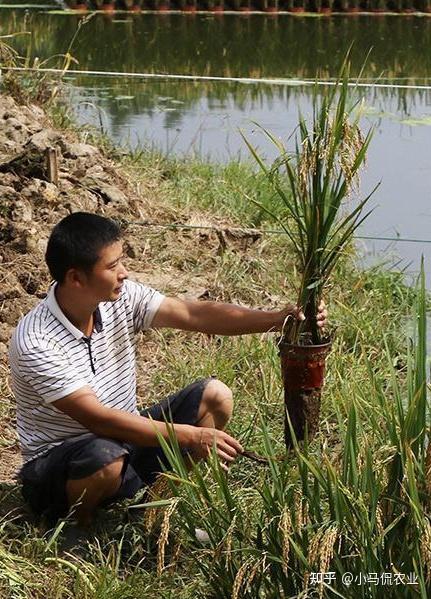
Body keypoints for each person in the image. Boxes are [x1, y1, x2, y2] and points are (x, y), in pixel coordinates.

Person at [9, 212, 327, 529]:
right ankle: (77, 526)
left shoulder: (119, 298)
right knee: (103, 457)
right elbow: (98, 419)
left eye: (122, 261)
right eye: (112, 266)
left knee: (215, 396)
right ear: (76, 278)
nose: (124, 273)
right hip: (60, 468)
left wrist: (276, 319)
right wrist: (194, 436)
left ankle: (148, 509)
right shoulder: (37, 341)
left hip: (124, 440)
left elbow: (192, 314)